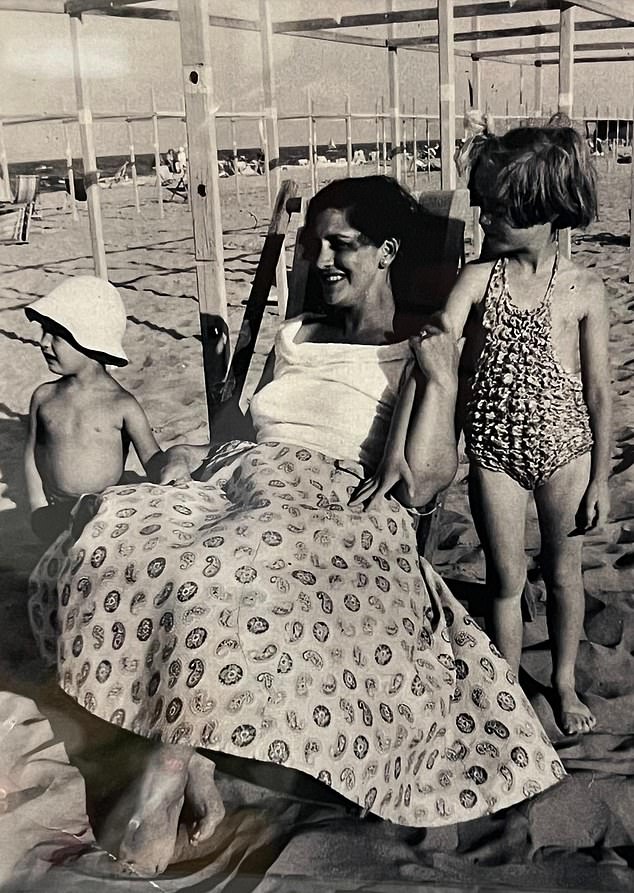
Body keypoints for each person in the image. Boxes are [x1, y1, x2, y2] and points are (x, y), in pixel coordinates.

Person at [28, 177, 566, 877]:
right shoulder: (294, 332)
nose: (324, 259)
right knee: (121, 529)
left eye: (342, 244)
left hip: (335, 499)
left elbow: (426, 482)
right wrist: (195, 451)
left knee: (228, 567)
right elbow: (252, 424)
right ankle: (184, 746)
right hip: (242, 477)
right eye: (316, 246)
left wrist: (439, 381)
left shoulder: (414, 349)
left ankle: (173, 757)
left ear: (388, 251)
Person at [371, 128, 610, 738]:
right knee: (504, 581)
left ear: (545, 212)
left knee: (563, 573)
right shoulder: (477, 281)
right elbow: (435, 348)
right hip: (494, 451)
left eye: (497, 208)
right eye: (482, 203)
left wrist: (602, 477)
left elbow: (600, 391)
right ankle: (507, 690)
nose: (484, 217)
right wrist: (403, 438)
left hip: (567, 451)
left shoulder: (585, 289)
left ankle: (561, 682)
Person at [24, 276, 163, 544]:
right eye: (44, 331)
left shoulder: (121, 404)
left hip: (106, 513)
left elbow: (152, 457)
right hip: (56, 511)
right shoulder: (44, 397)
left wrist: (173, 468)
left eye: (56, 335)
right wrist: (36, 507)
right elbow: (31, 454)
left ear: (90, 340)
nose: (42, 342)